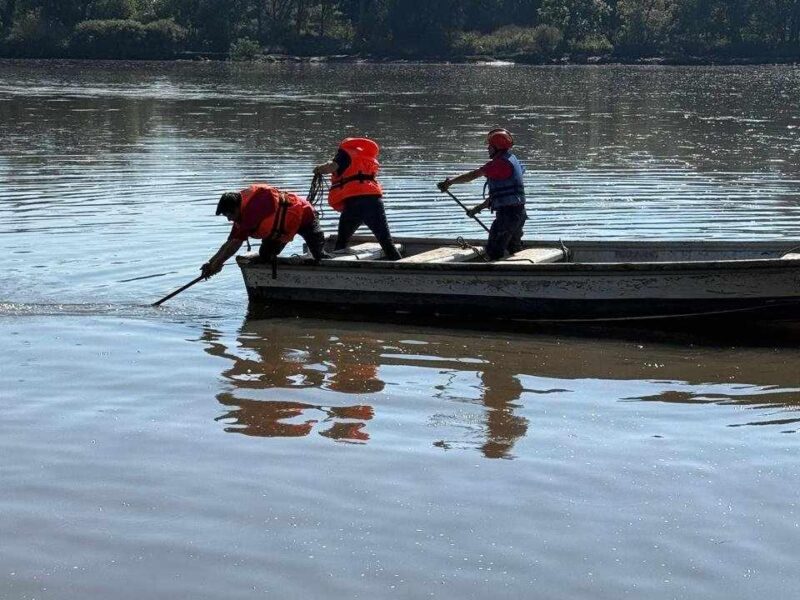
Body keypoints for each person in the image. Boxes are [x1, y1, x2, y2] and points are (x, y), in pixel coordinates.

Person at [201, 183, 328, 278]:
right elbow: (229, 242)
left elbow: (235, 244)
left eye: (230, 214)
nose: (229, 219)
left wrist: (217, 264)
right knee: (265, 257)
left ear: (237, 207)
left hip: (305, 217)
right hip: (282, 230)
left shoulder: (253, 209)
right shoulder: (240, 215)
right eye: (226, 216)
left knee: (320, 256)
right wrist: (211, 262)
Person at [437, 128, 527, 260]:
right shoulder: (512, 160)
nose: (488, 149)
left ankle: (497, 278)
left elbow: (473, 175)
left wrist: (450, 182)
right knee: (513, 249)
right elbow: (503, 195)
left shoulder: (499, 164)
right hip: (519, 214)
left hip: (507, 216)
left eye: (490, 146)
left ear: (497, 147)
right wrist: (478, 208)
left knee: (494, 250)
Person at [313, 137, 402, 260]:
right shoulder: (367, 156)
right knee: (386, 242)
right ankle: (400, 266)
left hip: (354, 203)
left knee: (342, 242)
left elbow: (332, 166)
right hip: (373, 201)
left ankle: (337, 268)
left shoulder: (344, 153)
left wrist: (318, 169)